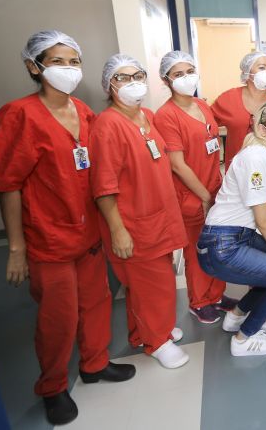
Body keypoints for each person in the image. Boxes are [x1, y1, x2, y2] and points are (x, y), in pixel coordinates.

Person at [0, 31, 135, 426]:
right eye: (58, 61)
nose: (69, 69)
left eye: (74, 61)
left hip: (88, 233)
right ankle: (52, 387)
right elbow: (8, 184)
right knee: (58, 318)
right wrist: (16, 249)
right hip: (48, 238)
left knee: (97, 302)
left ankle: (95, 364)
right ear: (34, 66)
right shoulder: (19, 115)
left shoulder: (83, 111)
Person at [91, 54, 189, 370]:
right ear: (109, 85)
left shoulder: (145, 115)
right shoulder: (108, 125)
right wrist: (118, 229)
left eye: (138, 76)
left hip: (158, 216)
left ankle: (144, 330)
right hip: (133, 222)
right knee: (153, 285)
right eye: (123, 77)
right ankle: (156, 341)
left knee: (152, 283)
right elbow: (104, 185)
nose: (133, 83)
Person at [198, 101, 266, 356]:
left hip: (233, 238)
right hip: (223, 245)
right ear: (263, 130)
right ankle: (245, 338)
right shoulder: (255, 159)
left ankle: (236, 315)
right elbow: (264, 220)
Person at [154, 51, 238, 325]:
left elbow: (213, 146)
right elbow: (177, 164)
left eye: (190, 71)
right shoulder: (166, 116)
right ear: (166, 80)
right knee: (197, 249)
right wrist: (204, 196)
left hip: (215, 189)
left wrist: (218, 190)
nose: (186, 78)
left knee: (217, 246)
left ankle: (217, 294)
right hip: (192, 195)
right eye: (178, 74)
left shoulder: (202, 106)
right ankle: (199, 301)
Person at [210, 51, 266, 168]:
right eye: (261, 67)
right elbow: (206, 124)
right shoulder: (228, 98)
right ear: (247, 72)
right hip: (236, 167)